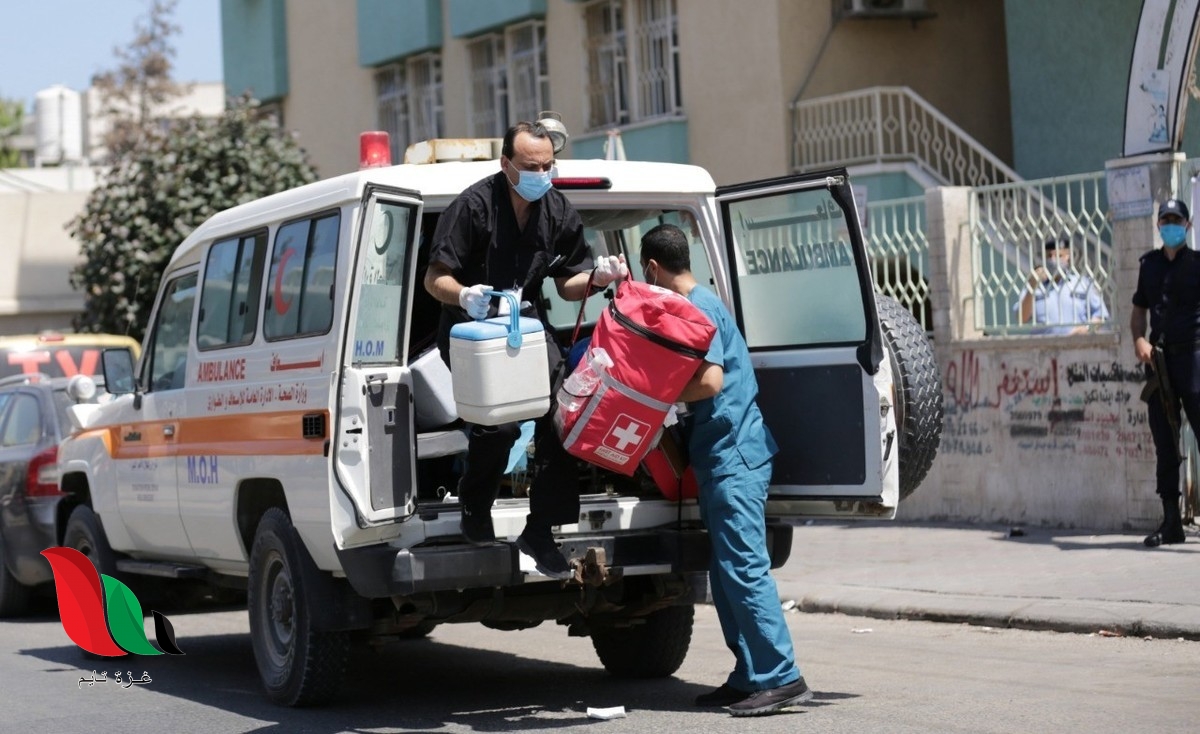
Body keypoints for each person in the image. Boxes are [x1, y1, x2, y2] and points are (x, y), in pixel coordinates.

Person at [424, 121, 627, 578]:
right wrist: (464, 296)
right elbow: (434, 278)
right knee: (498, 427)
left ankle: (540, 529)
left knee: (563, 418)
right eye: (531, 166)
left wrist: (597, 278)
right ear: (506, 165)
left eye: (548, 165)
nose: (541, 173)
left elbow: (569, 284)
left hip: (527, 330)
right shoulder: (473, 207)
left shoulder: (556, 209)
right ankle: (475, 507)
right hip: (472, 334)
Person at [638, 223, 812, 716]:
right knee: (726, 569)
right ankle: (748, 674)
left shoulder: (696, 308)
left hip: (735, 455)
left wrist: (656, 395)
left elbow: (710, 382)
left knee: (744, 567)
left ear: (652, 267)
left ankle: (781, 675)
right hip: (722, 455)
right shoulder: (702, 303)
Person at [1131, 198, 1196, 547]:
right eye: (1165, 219)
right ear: (1158, 225)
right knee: (1165, 443)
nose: (1170, 224)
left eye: (1176, 219)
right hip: (1161, 365)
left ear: (1186, 225)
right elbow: (1138, 312)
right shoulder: (1149, 265)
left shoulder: (1197, 264)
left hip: (1195, 360)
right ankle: (1172, 522)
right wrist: (1139, 340)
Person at [1016, 236, 1110, 334]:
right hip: (1044, 347)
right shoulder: (1035, 286)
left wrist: (1086, 329)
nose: (1052, 260)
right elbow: (1021, 319)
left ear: (1067, 256)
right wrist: (1032, 286)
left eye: (1058, 255)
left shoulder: (1082, 284)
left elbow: (1100, 315)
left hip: (1078, 346)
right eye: (1049, 256)